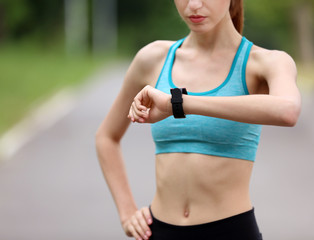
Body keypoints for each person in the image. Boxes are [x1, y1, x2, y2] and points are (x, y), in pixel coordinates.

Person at [95, 0, 301, 239]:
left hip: (230, 232)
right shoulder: (153, 58)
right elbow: (106, 137)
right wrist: (126, 212)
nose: (193, 4)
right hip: (160, 231)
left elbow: (288, 110)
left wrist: (178, 104)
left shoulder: (265, 62)